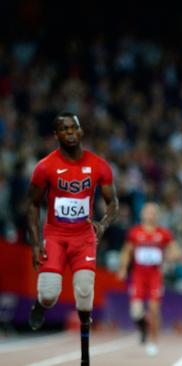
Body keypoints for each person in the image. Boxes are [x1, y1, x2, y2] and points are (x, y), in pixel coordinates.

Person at [27, 112, 118, 366]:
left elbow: (113, 203)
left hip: (83, 237)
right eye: (63, 129)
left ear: (81, 132)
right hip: (55, 235)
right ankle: (40, 306)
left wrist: (103, 224)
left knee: (85, 290)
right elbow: (32, 205)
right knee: (49, 293)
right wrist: (35, 244)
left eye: (73, 128)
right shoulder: (45, 167)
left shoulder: (99, 165)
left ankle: (85, 355)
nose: (69, 132)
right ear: (56, 135)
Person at [117, 202, 181, 356]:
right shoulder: (135, 232)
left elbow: (175, 251)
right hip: (138, 275)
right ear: (142, 214)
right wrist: (123, 268)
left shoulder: (163, 233)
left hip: (155, 276)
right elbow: (127, 251)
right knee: (136, 312)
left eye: (153, 212)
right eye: (148, 212)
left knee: (153, 309)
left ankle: (153, 341)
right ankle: (143, 329)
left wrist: (171, 256)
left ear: (157, 216)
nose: (150, 215)